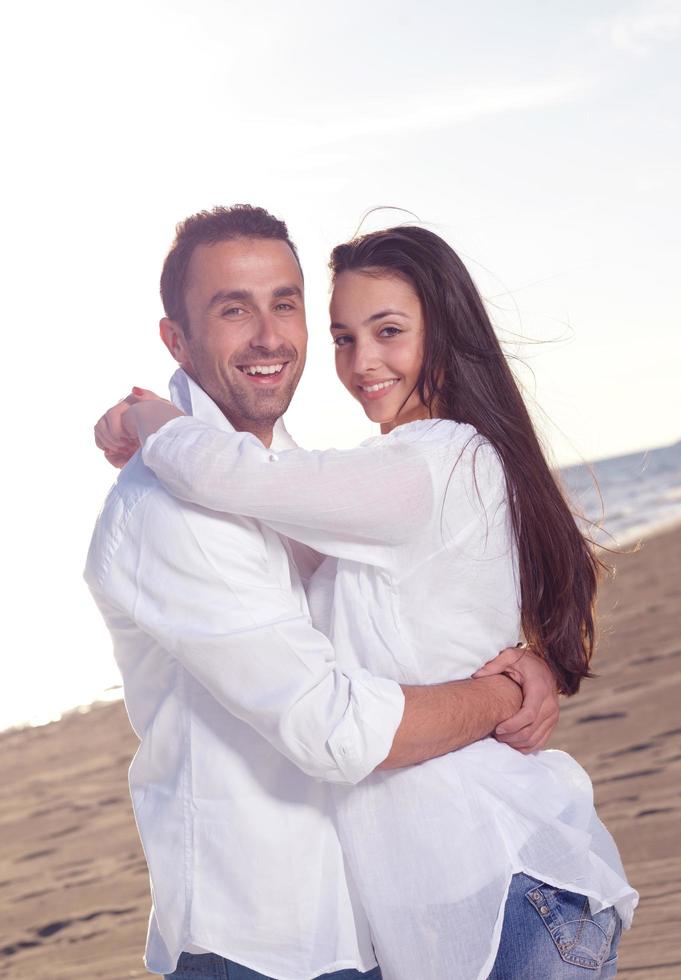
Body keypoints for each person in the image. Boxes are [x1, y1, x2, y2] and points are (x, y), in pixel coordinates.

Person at [98, 220, 639, 979]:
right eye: (345, 337)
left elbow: (239, 482)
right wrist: (507, 686)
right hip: (419, 909)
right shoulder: (357, 485)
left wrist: (150, 418)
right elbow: (268, 515)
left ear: (446, 335)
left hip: (495, 886)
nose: (361, 362)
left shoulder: (430, 465)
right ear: (177, 338)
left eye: (387, 331)